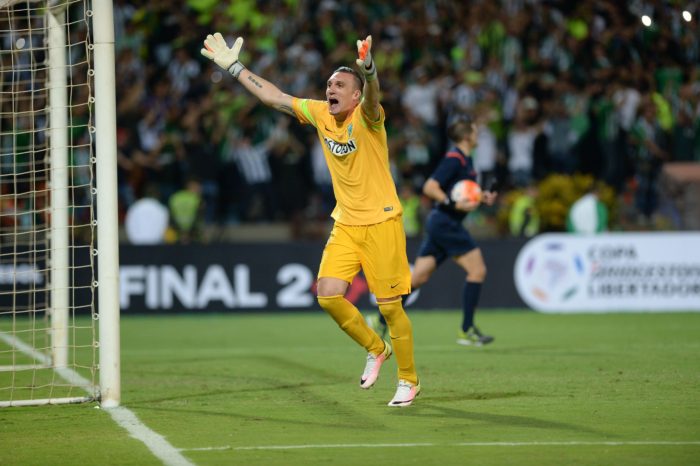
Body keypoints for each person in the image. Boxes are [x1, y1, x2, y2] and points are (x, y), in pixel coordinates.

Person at [201, 33, 420, 406]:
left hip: (382, 222)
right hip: (347, 223)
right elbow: (276, 97)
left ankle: (409, 379)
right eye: (329, 84)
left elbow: (374, 93)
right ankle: (375, 347)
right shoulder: (320, 113)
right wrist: (235, 68)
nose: (331, 89)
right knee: (328, 295)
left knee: (389, 307)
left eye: (340, 85)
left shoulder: (369, 117)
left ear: (355, 94)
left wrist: (368, 69)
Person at [368, 117, 497, 346]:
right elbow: (430, 186)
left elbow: (463, 191)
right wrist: (452, 204)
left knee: (417, 277)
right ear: (467, 136)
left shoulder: (465, 160)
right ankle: (466, 330)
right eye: (476, 131)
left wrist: (482, 197)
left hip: (441, 223)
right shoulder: (454, 159)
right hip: (446, 223)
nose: (478, 134)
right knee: (478, 271)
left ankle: (380, 321)